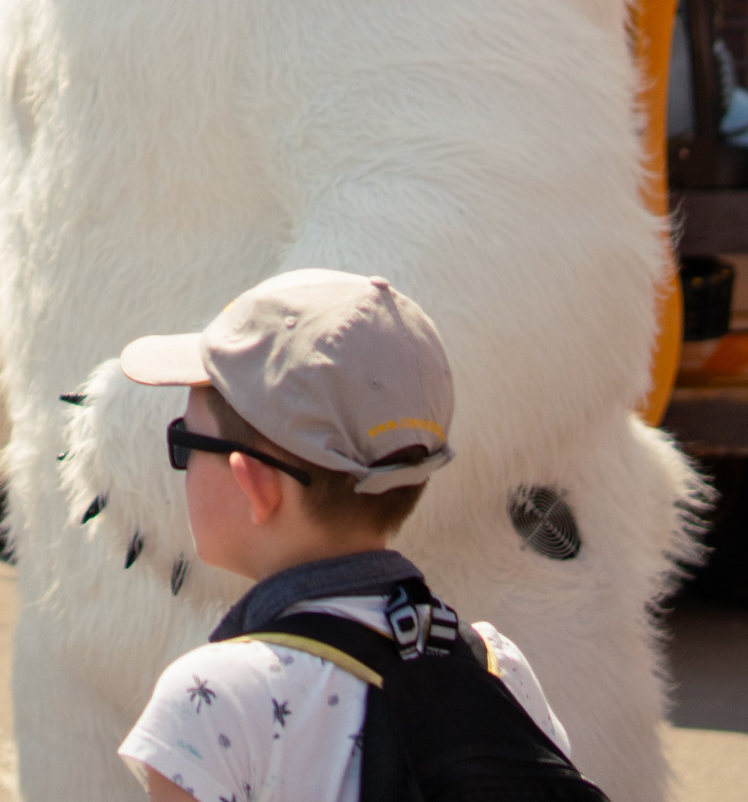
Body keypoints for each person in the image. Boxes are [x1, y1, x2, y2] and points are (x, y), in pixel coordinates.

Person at [113, 270, 587, 802]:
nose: (183, 463)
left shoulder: (214, 700)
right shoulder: (494, 666)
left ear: (255, 484)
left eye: (186, 441)